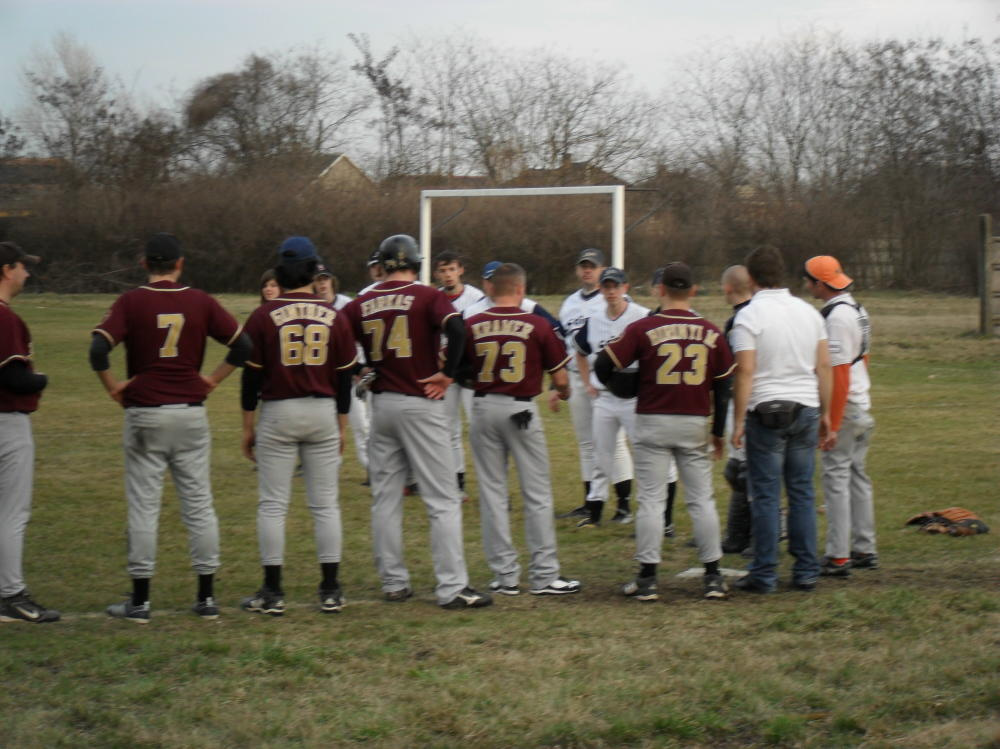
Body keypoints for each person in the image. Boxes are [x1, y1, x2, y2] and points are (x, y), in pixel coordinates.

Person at [91, 232, 250, 623]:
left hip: (145, 412)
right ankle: (207, 597)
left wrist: (114, 387)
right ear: (181, 263)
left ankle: (141, 602)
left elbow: (97, 349)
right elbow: (244, 347)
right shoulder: (200, 300)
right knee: (198, 503)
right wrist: (211, 380)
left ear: (145, 264)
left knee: (144, 507)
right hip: (189, 412)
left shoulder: (132, 301)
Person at [343, 234, 491, 610]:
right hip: (421, 400)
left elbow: (335, 338)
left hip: (383, 405)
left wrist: (360, 369)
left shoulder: (362, 301)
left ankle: (393, 581)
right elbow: (457, 329)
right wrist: (449, 375)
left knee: (385, 499)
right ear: (417, 263)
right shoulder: (427, 296)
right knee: (442, 498)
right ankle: (452, 586)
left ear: (384, 264)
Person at [597, 262, 735, 601]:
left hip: (653, 419)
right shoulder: (711, 331)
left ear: (660, 290)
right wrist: (718, 431)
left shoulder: (643, 328)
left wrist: (625, 387)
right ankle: (714, 577)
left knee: (651, 502)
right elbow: (724, 385)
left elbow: (603, 366)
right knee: (702, 500)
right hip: (693, 421)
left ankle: (647, 580)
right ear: (693, 291)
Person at [239, 238, 357, 616]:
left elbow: (250, 379)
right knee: (325, 504)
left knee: (273, 505)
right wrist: (341, 425)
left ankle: (273, 592)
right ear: (313, 271)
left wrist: (247, 425)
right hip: (322, 410)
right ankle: (331, 588)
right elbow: (344, 379)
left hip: (279, 409)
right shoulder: (335, 315)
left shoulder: (262, 316)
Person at [465, 263, 581, 596]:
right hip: (520, 409)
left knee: (492, 494)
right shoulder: (536, 324)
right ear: (520, 290)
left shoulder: (471, 323)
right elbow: (561, 379)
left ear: (491, 289)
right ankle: (545, 574)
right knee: (537, 494)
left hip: (484, 405)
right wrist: (564, 392)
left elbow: (455, 367)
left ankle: (505, 576)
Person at [730, 245, 835, 594]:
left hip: (765, 410)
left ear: (752, 278)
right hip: (805, 407)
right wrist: (827, 414)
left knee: (765, 495)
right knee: (802, 493)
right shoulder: (810, 314)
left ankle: (764, 572)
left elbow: (745, 370)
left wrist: (740, 420)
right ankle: (806, 571)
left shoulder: (748, 316)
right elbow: (823, 366)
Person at [803, 255, 878, 574]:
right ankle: (864, 547)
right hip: (860, 404)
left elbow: (839, 373)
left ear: (820, 284)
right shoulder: (857, 308)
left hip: (844, 407)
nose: (806, 285)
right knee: (857, 477)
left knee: (835, 478)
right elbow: (863, 359)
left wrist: (831, 424)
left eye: (808, 280)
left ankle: (838, 555)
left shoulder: (835, 317)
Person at [0, 242, 59, 624]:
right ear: (6, 269)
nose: (27, 273)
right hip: (7, 423)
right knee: (11, 513)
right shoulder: (5, 319)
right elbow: (12, 376)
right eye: (23, 267)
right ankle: (10, 595)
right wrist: (42, 379)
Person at [572, 267, 656, 527]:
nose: (611, 291)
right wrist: (587, 383)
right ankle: (595, 511)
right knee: (601, 454)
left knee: (644, 453)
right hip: (606, 396)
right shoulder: (594, 319)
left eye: (615, 286)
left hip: (634, 397)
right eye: (606, 286)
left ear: (625, 288)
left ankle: (647, 511)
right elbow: (581, 351)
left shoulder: (642, 316)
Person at [554, 248, 634, 518]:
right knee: (587, 443)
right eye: (583, 266)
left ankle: (623, 504)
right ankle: (591, 502)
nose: (587, 270)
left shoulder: (619, 301)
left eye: (593, 266)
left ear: (602, 270)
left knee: (616, 442)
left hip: (611, 381)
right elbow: (568, 344)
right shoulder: (569, 303)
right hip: (579, 376)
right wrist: (558, 384)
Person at [433, 251, 484, 500]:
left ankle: (488, 482)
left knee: (478, 427)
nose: (447, 275)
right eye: (443, 270)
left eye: (451, 269)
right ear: (436, 274)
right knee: (448, 428)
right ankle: (456, 482)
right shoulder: (433, 298)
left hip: (470, 370)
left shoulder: (476, 297)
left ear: (461, 269)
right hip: (445, 371)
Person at [315, 262, 370, 476]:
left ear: (332, 281)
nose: (322, 284)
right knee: (327, 426)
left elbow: (359, 340)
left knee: (361, 424)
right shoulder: (311, 307)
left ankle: (371, 468)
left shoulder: (347, 305)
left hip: (350, 373)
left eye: (325, 279)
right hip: (325, 378)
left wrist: (359, 370)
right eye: (318, 280)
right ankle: (330, 468)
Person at [719, 264, 753, 555]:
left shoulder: (741, 320)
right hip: (748, 397)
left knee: (745, 470)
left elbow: (736, 367)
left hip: (747, 399)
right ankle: (736, 534)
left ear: (728, 288)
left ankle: (753, 535)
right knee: (737, 469)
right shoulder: (750, 314)